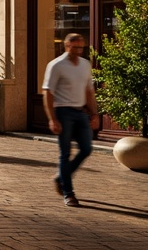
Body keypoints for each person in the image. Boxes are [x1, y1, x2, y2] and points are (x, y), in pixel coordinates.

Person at [44, 33, 97, 207]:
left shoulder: (85, 64)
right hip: (63, 112)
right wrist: (52, 118)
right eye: (75, 47)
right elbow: (48, 93)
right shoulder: (56, 65)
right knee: (65, 154)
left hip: (81, 112)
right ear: (67, 45)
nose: (79, 51)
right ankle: (68, 193)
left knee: (86, 149)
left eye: (81, 47)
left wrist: (94, 113)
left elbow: (89, 91)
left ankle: (61, 177)